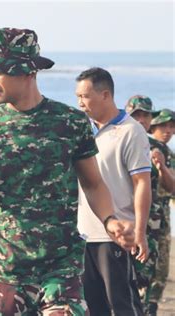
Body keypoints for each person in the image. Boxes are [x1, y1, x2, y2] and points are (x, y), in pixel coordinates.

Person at [0, 28, 135, 316]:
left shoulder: (70, 122)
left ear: (29, 72)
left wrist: (109, 220)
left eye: (0, 70)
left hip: (61, 267)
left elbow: (93, 184)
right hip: (3, 271)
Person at [76, 68, 151, 315]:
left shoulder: (131, 131)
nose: (80, 103)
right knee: (91, 307)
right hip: (84, 236)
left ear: (105, 95)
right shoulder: (82, 131)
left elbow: (142, 183)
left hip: (116, 237)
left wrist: (139, 232)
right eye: (77, 96)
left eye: (85, 96)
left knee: (123, 306)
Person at [126, 95, 175, 314]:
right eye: (136, 114)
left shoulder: (159, 148)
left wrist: (161, 166)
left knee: (155, 275)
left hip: (156, 222)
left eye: (145, 115)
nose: (141, 119)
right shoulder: (114, 141)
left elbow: (172, 187)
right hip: (125, 222)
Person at [146, 108, 175, 314]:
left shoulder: (167, 153)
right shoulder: (138, 145)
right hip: (140, 219)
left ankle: (151, 308)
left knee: (160, 271)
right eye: (163, 125)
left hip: (162, 218)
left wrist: (162, 167)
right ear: (153, 125)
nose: (168, 130)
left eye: (172, 126)